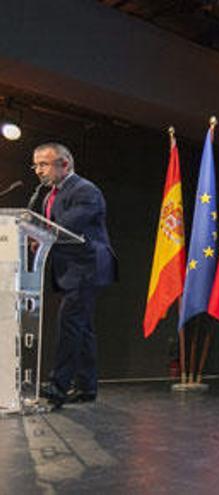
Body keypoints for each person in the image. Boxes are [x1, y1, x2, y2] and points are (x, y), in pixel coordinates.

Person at [30, 143, 117, 408]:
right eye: (35, 165)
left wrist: (41, 234)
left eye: (43, 164)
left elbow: (66, 226)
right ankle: (86, 386)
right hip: (71, 269)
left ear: (64, 164)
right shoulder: (47, 195)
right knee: (83, 328)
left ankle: (58, 385)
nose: (38, 171)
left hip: (87, 267)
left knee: (70, 323)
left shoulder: (85, 190)